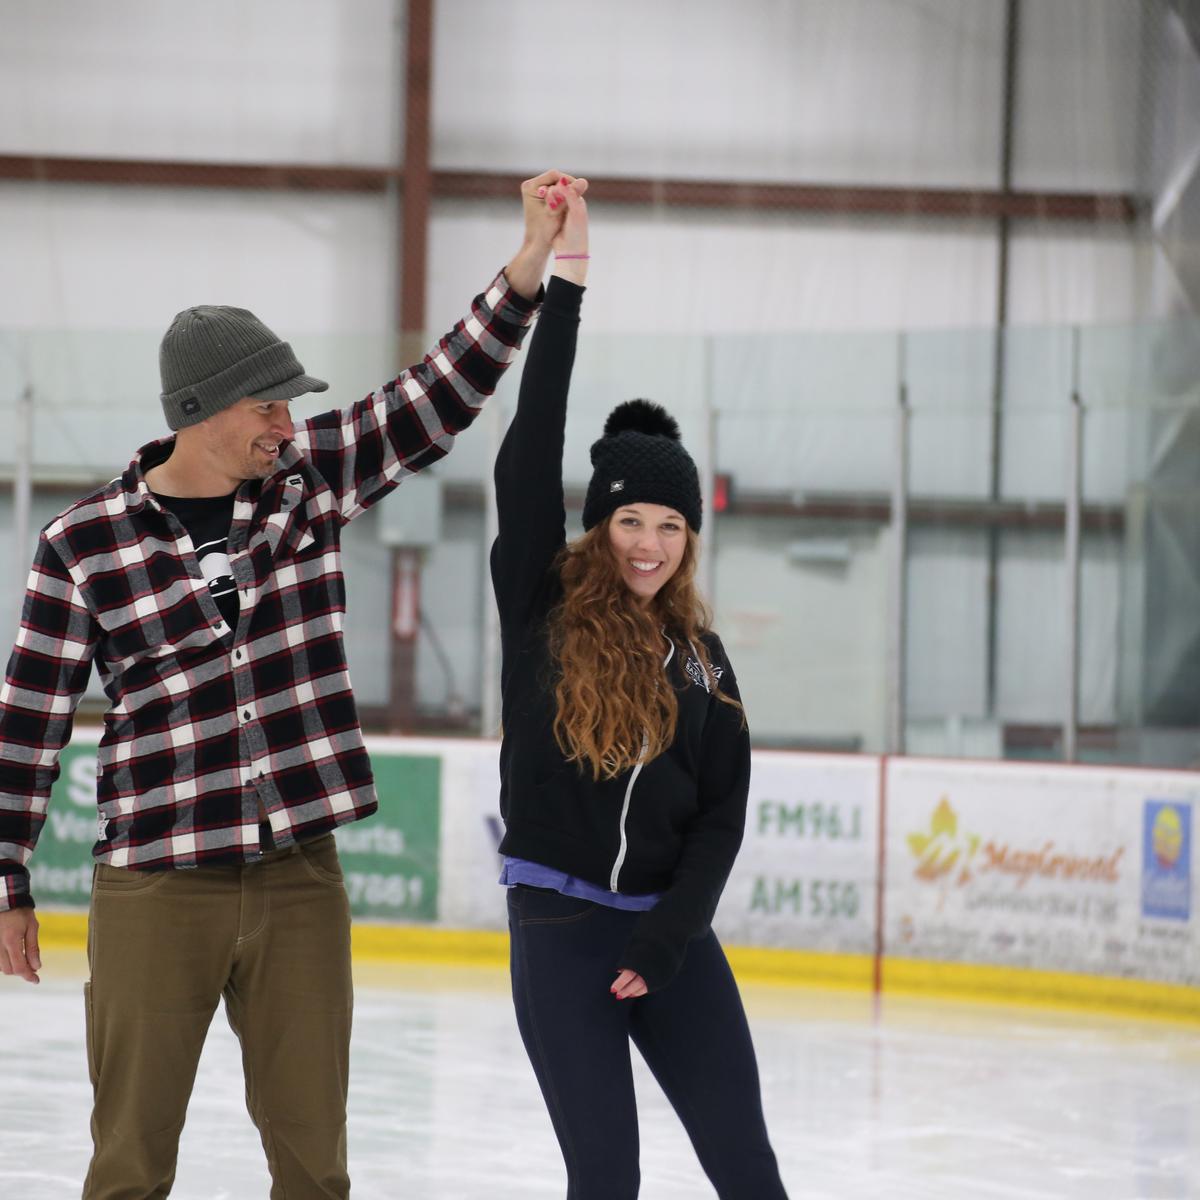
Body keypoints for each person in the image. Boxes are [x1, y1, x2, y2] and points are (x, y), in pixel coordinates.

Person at [0, 167, 583, 1200]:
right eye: (269, 401)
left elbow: (435, 395)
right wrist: (5, 879)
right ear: (203, 409)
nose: (285, 419)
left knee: (316, 1170)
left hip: (296, 881)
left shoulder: (310, 479)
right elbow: (28, 723)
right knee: (128, 1167)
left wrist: (527, 267)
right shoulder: (83, 544)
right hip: (156, 883)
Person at [491, 182, 789, 1198]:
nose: (650, 545)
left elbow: (721, 817)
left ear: (690, 538)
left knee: (749, 1170)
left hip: (670, 935)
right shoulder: (540, 600)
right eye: (629, 522)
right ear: (598, 525)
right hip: (562, 931)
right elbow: (530, 444)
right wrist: (564, 285)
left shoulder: (705, 660)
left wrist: (667, 942)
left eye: (671, 527)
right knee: (607, 1182)